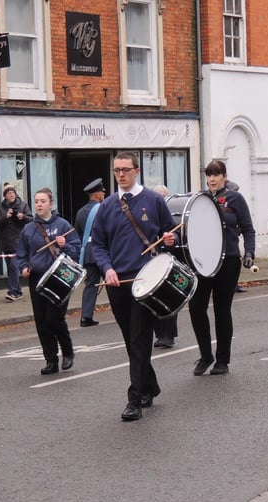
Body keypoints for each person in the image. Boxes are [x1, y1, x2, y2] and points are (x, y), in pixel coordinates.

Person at [91, 152, 177, 421]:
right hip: (118, 281)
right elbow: (98, 244)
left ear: (137, 171)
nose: (121, 175)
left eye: (126, 169)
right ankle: (150, 385)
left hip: (145, 281)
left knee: (139, 337)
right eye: (117, 170)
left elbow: (170, 232)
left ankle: (134, 399)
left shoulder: (153, 200)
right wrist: (107, 268)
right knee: (131, 339)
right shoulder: (106, 206)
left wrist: (169, 239)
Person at [188, 160, 256, 376]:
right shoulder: (201, 198)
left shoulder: (235, 198)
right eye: (209, 175)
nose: (212, 179)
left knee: (221, 310)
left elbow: (247, 228)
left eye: (216, 175)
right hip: (203, 261)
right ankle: (205, 355)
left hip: (228, 260)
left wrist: (249, 253)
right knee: (196, 308)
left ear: (224, 176)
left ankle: (222, 360)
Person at [14, 188, 82, 375]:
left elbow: (76, 251)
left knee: (54, 318)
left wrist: (64, 245)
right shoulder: (28, 229)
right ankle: (50, 360)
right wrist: (23, 268)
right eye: (36, 201)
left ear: (51, 203)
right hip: (37, 278)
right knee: (42, 321)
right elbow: (20, 255)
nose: (39, 204)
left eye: (43, 201)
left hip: (60, 277)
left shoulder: (63, 225)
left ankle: (67, 351)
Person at [74, 178, 106, 327]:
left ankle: (86, 316)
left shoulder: (80, 212)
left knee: (91, 285)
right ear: (98, 195)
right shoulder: (104, 209)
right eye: (102, 193)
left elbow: (78, 234)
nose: (104, 196)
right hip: (103, 252)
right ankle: (121, 312)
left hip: (87, 252)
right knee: (113, 283)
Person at [0, 183, 33, 301]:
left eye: (13, 192)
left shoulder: (23, 205)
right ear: (5, 196)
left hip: (19, 240)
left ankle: (13, 291)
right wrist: (6, 216)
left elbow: (31, 219)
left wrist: (23, 217)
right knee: (11, 267)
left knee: (13, 265)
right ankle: (17, 290)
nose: (11, 194)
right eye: (8, 193)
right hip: (6, 241)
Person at [151, 184, 178, 349]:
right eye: (159, 197)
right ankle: (159, 334)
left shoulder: (170, 217)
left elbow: (177, 238)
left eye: (164, 197)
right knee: (153, 298)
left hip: (167, 260)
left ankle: (169, 335)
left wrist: (171, 240)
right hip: (152, 261)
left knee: (169, 298)